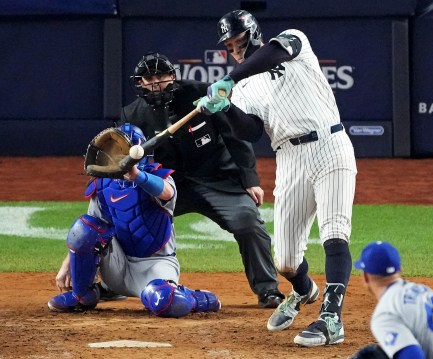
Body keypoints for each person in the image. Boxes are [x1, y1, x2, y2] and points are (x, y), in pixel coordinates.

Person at [196, 10, 358, 347]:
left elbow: (272, 53)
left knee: (334, 231)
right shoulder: (242, 87)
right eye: (230, 47)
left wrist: (229, 77)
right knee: (285, 260)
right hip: (289, 158)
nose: (236, 51)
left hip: (331, 144)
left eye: (239, 42)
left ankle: (331, 319)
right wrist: (224, 108)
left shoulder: (292, 41)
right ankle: (304, 290)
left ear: (253, 34)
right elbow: (251, 132)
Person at [120, 52, 284, 308]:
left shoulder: (201, 96)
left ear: (172, 77)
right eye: (148, 78)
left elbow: (236, 136)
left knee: (248, 221)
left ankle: (268, 289)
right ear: (139, 83)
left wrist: (250, 180)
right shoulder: (132, 116)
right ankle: (112, 284)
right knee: (129, 220)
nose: (155, 83)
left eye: (160, 76)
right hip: (171, 187)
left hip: (217, 178)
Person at [48, 123, 220, 317]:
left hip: (154, 265)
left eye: (118, 151)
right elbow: (90, 229)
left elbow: (167, 192)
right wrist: (69, 261)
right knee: (84, 227)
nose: (112, 156)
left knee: (166, 302)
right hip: (117, 264)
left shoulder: (159, 178)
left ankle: (198, 298)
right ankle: (83, 295)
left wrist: (137, 175)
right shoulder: (103, 184)